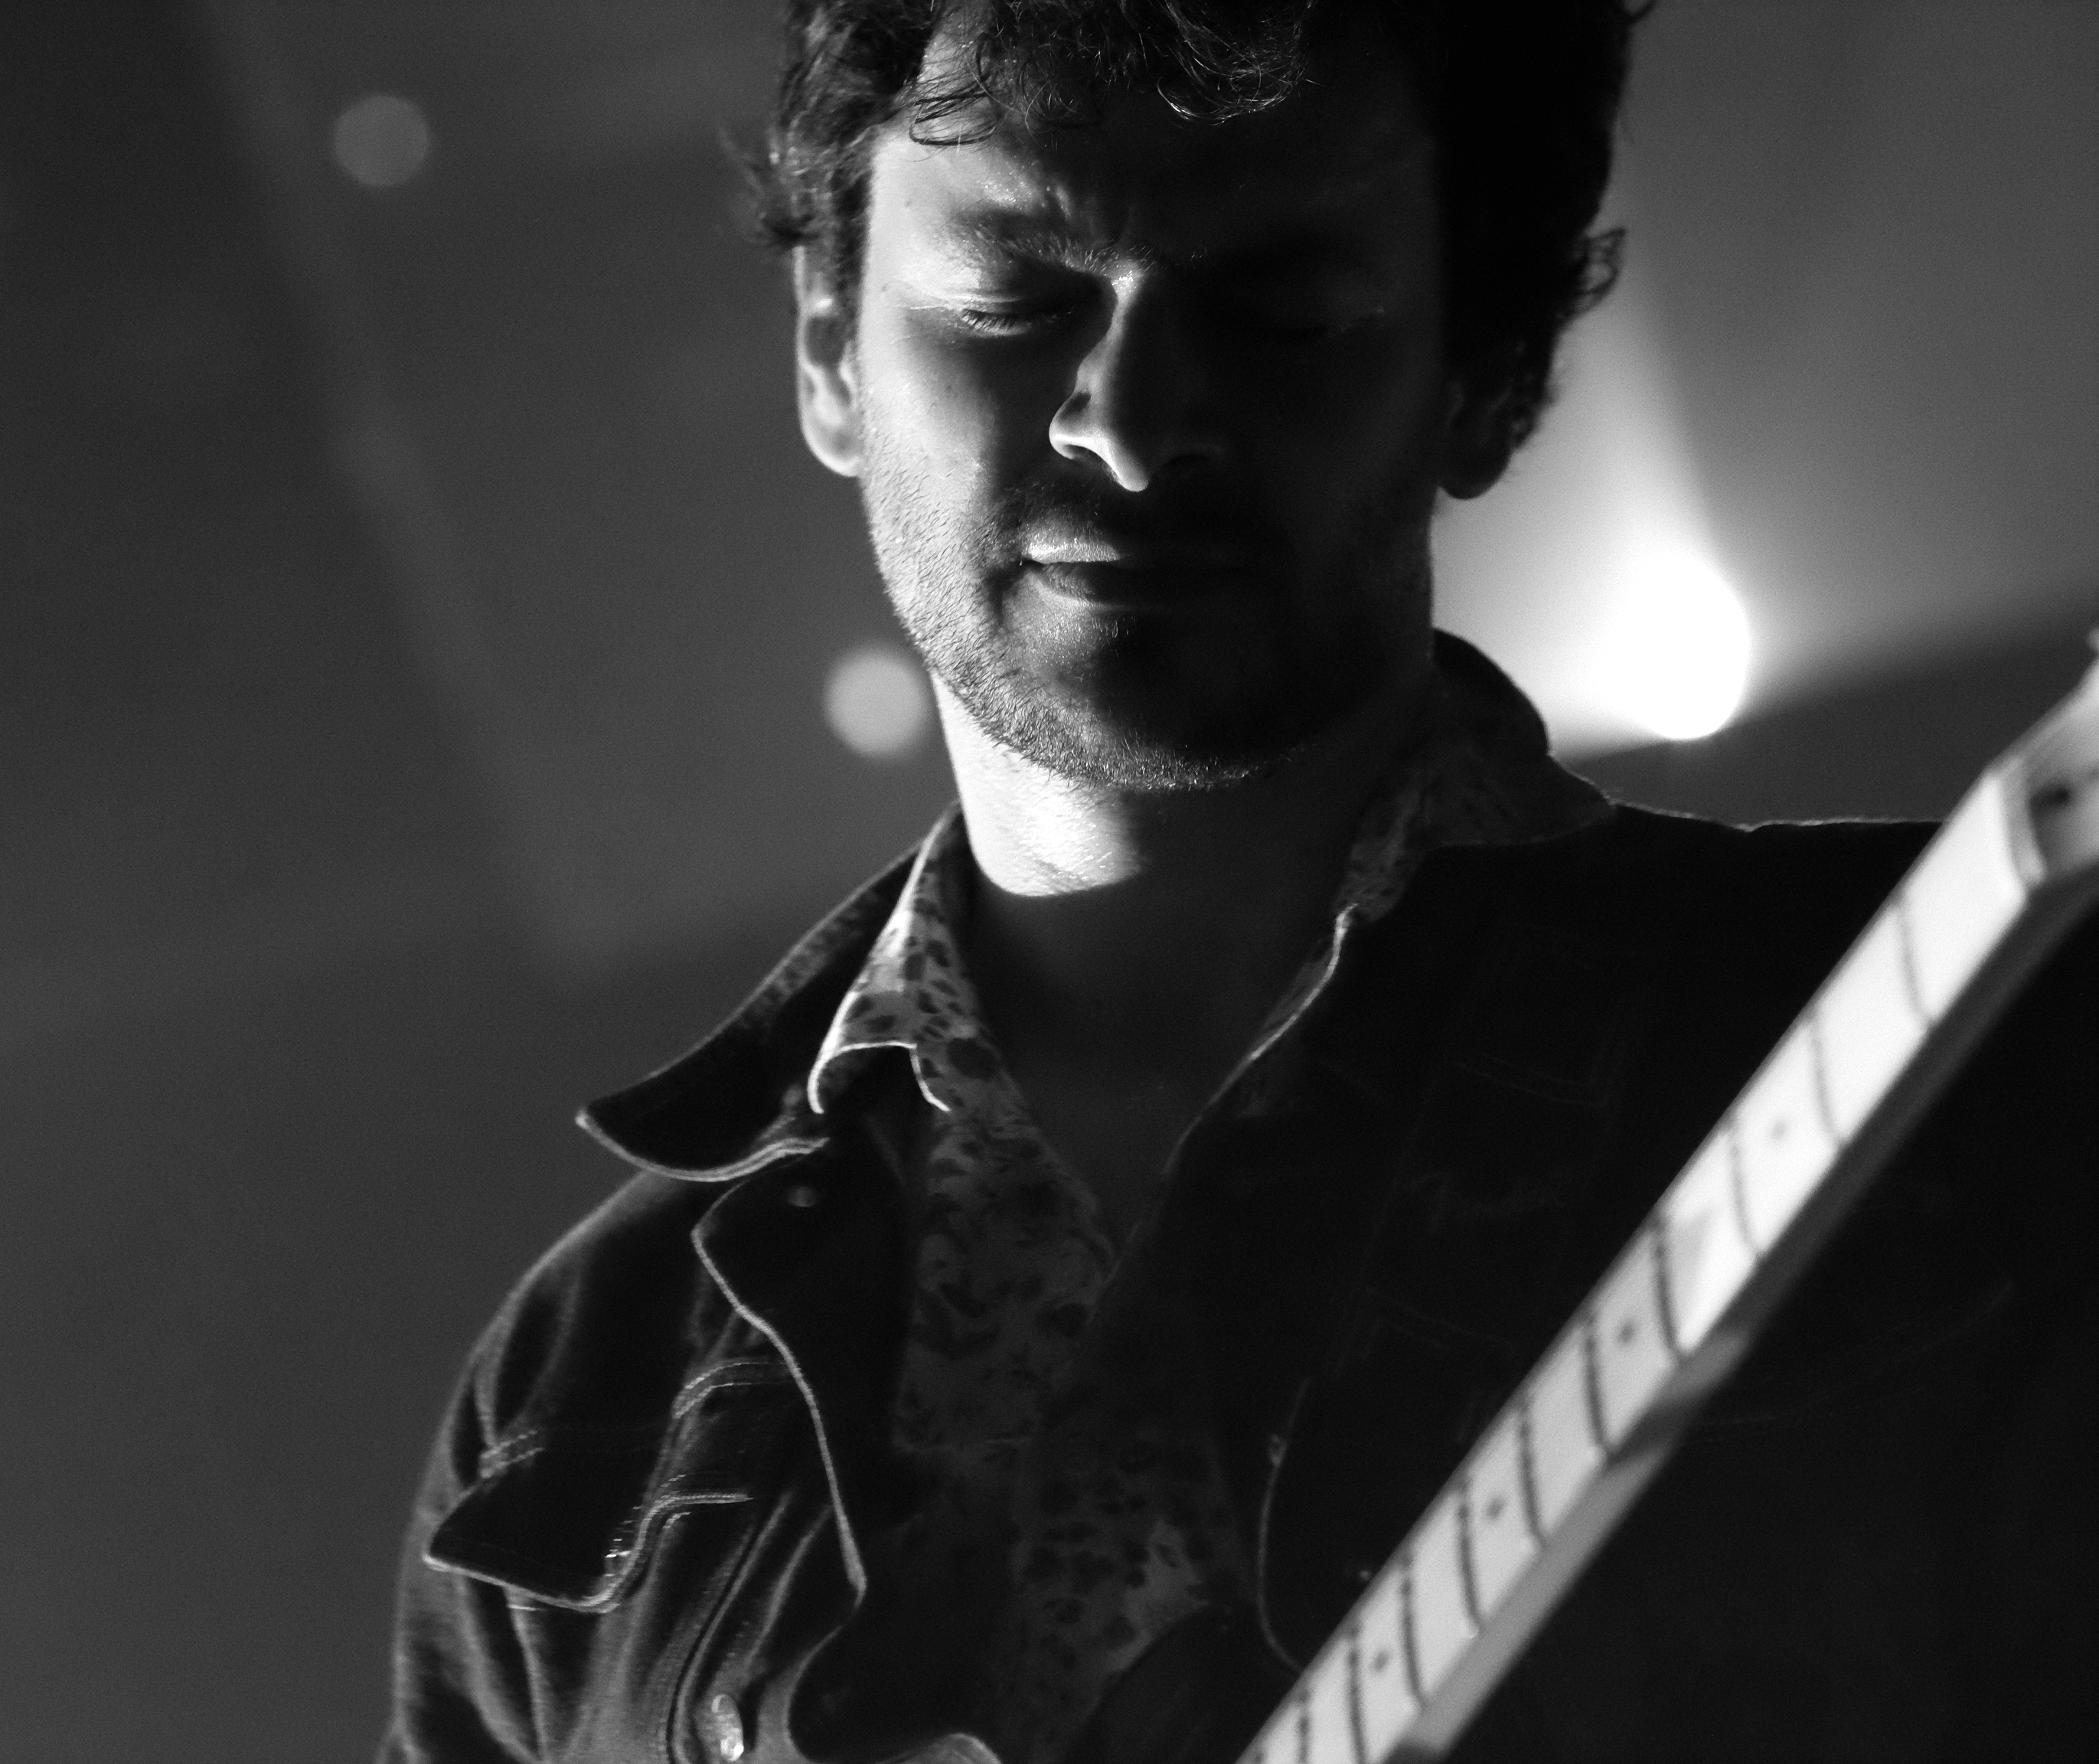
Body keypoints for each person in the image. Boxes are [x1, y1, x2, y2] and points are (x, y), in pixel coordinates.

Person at [381, 3, 2096, 1760]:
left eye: (1279, 312)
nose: (1133, 424)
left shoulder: (1966, 1028)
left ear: (1489, 374)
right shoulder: (583, 1382)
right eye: (1017, 299)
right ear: (831, 346)